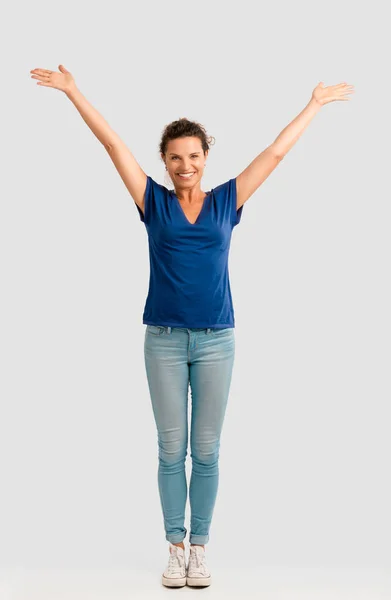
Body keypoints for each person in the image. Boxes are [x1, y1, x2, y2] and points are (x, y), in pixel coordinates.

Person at [30, 65, 354, 588]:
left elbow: (274, 153)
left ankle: (199, 548)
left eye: (194, 156)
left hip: (216, 342)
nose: (185, 165)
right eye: (175, 157)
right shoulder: (152, 201)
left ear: (206, 159)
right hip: (161, 340)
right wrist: (73, 91)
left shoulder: (227, 199)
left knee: (206, 451)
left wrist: (314, 104)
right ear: (164, 161)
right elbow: (113, 145)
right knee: (168, 448)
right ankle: (174, 546)